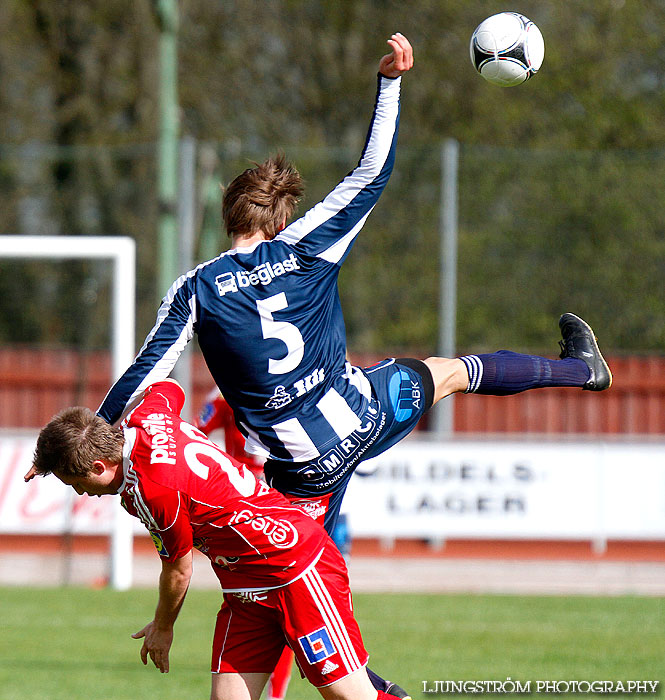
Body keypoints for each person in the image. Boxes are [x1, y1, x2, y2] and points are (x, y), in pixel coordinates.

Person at [96, 30, 611, 697]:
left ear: (228, 216)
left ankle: (364, 684)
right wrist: (389, 83)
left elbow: (146, 372)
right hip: (364, 413)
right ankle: (579, 371)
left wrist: (99, 435)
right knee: (449, 371)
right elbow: (369, 175)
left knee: (282, 582)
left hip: (302, 467)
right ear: (283, 218)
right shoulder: (308, 246)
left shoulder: (197, 287)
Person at [25, 379, 400, 700]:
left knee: (346, 694)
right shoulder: (146, 416)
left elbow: (178, 570)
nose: (79, 492)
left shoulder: (154, 489)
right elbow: (164, 386)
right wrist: (70, 445)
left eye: (76, 483)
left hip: (294, 568)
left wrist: (163, 627)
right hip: (245, 586)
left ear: (98, 466)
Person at [196, 389, 294, 700]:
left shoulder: (223, 393)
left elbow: (197, 433)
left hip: (244, 496)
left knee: (262, 595)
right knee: (282, 593)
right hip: (277, 493)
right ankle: (274, 693)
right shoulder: (290, 384)